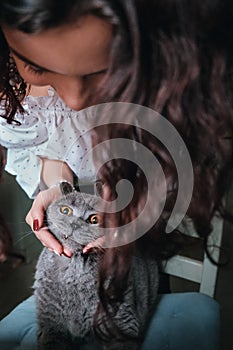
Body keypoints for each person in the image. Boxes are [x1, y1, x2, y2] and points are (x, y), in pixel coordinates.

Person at [0, 0, 232, 348]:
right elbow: (49, 148)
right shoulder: (9, 82)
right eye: (36, 66)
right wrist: (57, 188)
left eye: (101, 70)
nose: (75, 99)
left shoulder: (168, 79)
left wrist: (132, 208)